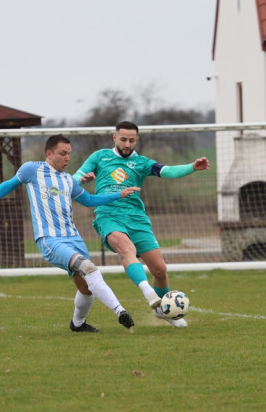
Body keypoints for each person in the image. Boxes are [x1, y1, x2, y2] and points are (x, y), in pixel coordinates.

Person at [0, 134, 141, 333]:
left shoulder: (69, 180)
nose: (67, 158)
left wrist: (119, 194)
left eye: (69, 154)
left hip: (74, 238)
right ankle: (120, 311)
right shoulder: (32, 170)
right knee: (89, 269)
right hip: (50, 239)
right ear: (49, 154)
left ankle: (77, 324)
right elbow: (8, 185)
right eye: (62, 154)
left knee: (86, 288)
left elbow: (90, 201)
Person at [73, 121, 210, 328]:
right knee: (127, 249)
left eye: (131, 140)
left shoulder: (142, 163)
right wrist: (82, 179)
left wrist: (192, 167)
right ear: (114, 138)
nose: (127, 144)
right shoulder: (99, 157)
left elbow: (168, 171)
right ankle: (150, 295)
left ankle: (162, 311)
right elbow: (74, 178)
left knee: (160, 269)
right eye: (123, 139)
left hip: (136, 218)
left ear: (137, 140)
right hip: (108, 214)